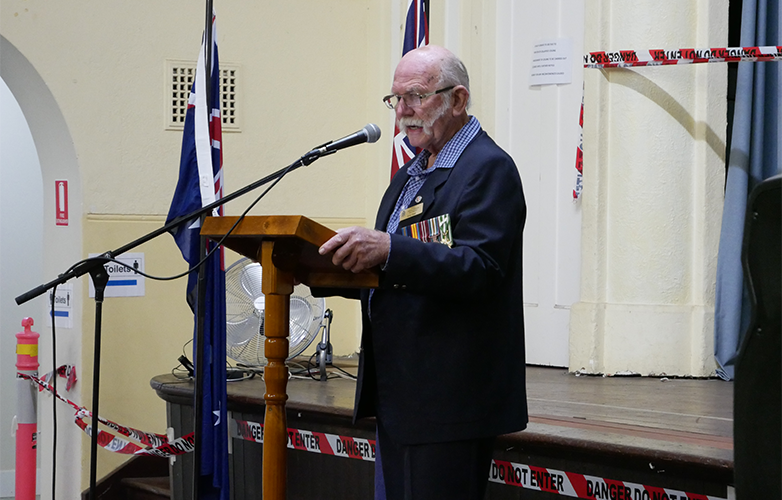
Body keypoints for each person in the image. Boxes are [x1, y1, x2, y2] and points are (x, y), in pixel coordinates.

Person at [318, 45, 527, 500]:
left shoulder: (488, 169)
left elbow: (481, 268)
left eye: (416, 96)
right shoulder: (410, 175)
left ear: (458, 99)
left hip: (449, 396)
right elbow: (396, 271)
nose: (404, 112)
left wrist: (390, 249)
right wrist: (322, 268)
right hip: (401, 392)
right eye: (396, 100)